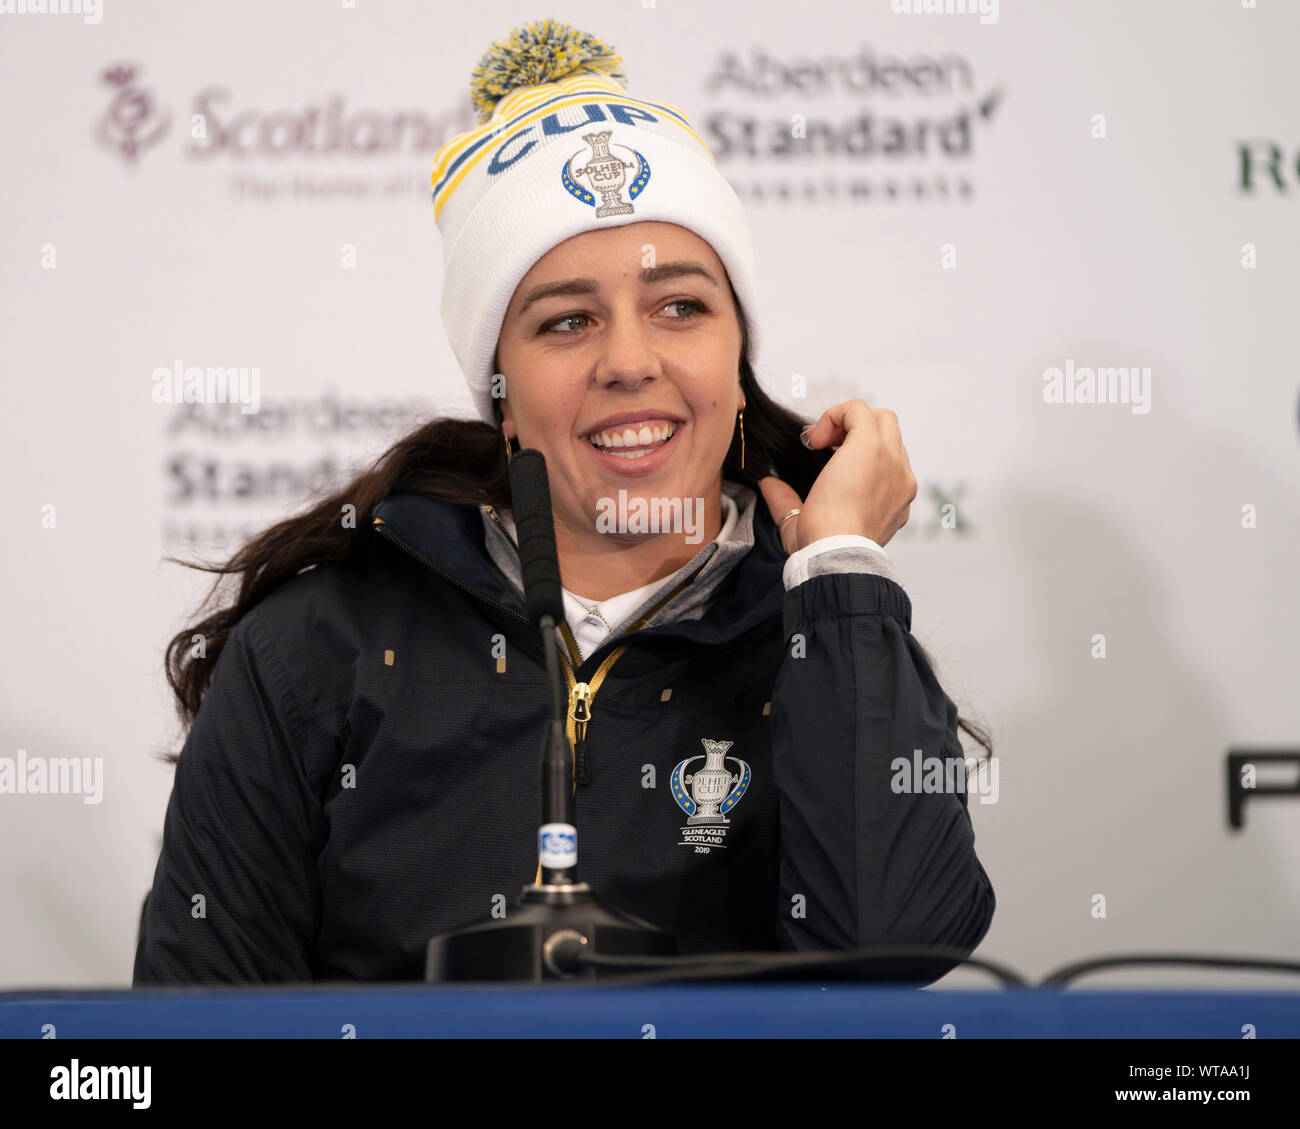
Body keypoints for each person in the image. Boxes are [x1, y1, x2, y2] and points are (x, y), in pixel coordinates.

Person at [133, 19, 995, 986]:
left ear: (738, 361)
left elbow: (891, 951)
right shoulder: (319, 645)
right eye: (568, 320)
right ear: (498, 392)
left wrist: (840, 571)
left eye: (681, 306)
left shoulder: (824, 624)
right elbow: (190, 1016)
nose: (630, 361)